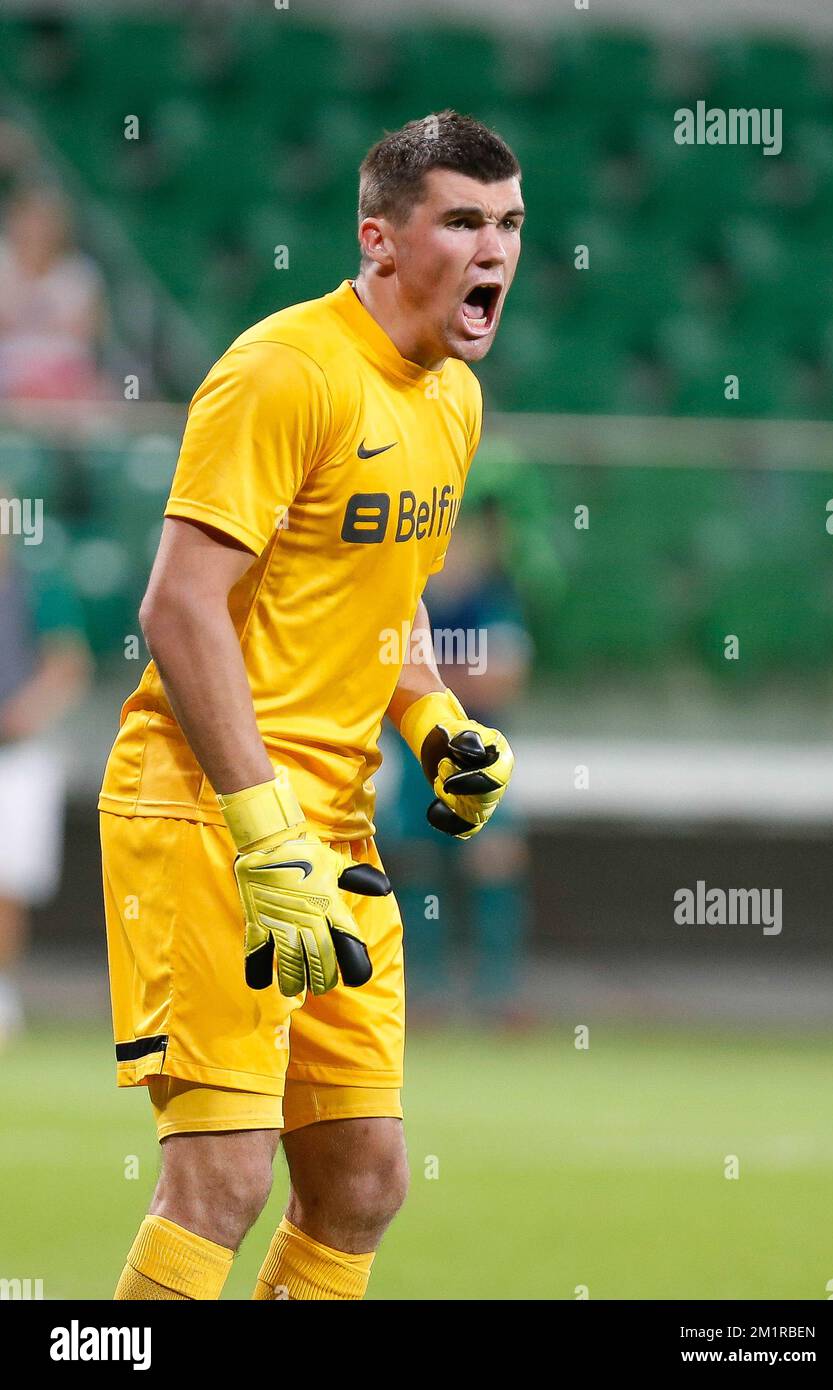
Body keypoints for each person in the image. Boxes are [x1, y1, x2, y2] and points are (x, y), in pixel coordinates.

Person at [99, 110, 525, 1301]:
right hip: (207, 816)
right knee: (223, 1180)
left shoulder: (451, 400)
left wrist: (433, 721)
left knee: (360, 1180)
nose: (492, 252)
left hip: (329, 836)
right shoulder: (283, 369)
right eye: (461, 222)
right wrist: (259, 825)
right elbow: (179, 606)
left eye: (508, 225)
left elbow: (384, 600)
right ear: (379, 241)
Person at [377, 497, 534, 1027]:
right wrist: (453, 680)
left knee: (495, 856)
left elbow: (504, 677)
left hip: (477, 756)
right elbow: (381, 677)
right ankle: (425, 993)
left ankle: (498, 994)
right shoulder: (405, 595)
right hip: (411, 756)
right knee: (414, 862)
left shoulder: (494, 599)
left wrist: (425, 680)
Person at [0, 510, 90, 1042]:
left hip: (17, 753)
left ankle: (2, 988)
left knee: (7, 883)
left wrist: (21, 713)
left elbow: (65, 663)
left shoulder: (39, 587)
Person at [0, 184, 106, 400]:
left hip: (64, 370)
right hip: (8, 367)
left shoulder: (79, 273)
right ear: (15, 221)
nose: (37, 230)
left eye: (45, 222)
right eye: (30, 220)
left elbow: (89, 331)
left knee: (115, 390)